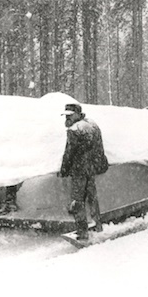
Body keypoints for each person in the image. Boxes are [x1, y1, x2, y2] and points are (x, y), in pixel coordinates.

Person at [58, 103, 109, 240]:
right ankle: (98, 225)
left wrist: (64, 170)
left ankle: (82, 231)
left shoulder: (74, 130)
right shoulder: (92, 124)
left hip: (80, 170)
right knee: (92, 198)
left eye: (69, 115)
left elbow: (69, 153)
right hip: (92, 168)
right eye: (65, 116)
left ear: (76, 114)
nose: (67, 118)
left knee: (77, 200)